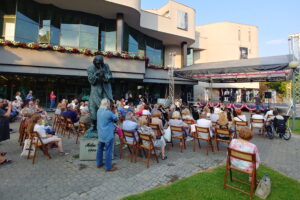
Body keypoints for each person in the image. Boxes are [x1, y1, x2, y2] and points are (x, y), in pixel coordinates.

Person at [87, 55, 113, 131]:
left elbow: (110, 76)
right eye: (98, 63)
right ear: (94, 62)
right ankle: (93, 125)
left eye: (101, 63)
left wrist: (104, 75)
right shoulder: (90, 68)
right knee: (93, 108)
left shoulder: (106, 66)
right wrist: (97, 74)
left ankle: (104, 125)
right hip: (95, 90)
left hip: (105, 89)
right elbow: (91, 81)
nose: (99, 65)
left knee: (105, 107)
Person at [96, 98, 118, 171]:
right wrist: (116, 111)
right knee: (108, 150)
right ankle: (108, 167)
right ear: (107, 104)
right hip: (108, 134)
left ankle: (99, 163)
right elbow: (116, 118)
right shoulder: (109, 112)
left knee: (100, 149)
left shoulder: (98, 111)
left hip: (100, 133)